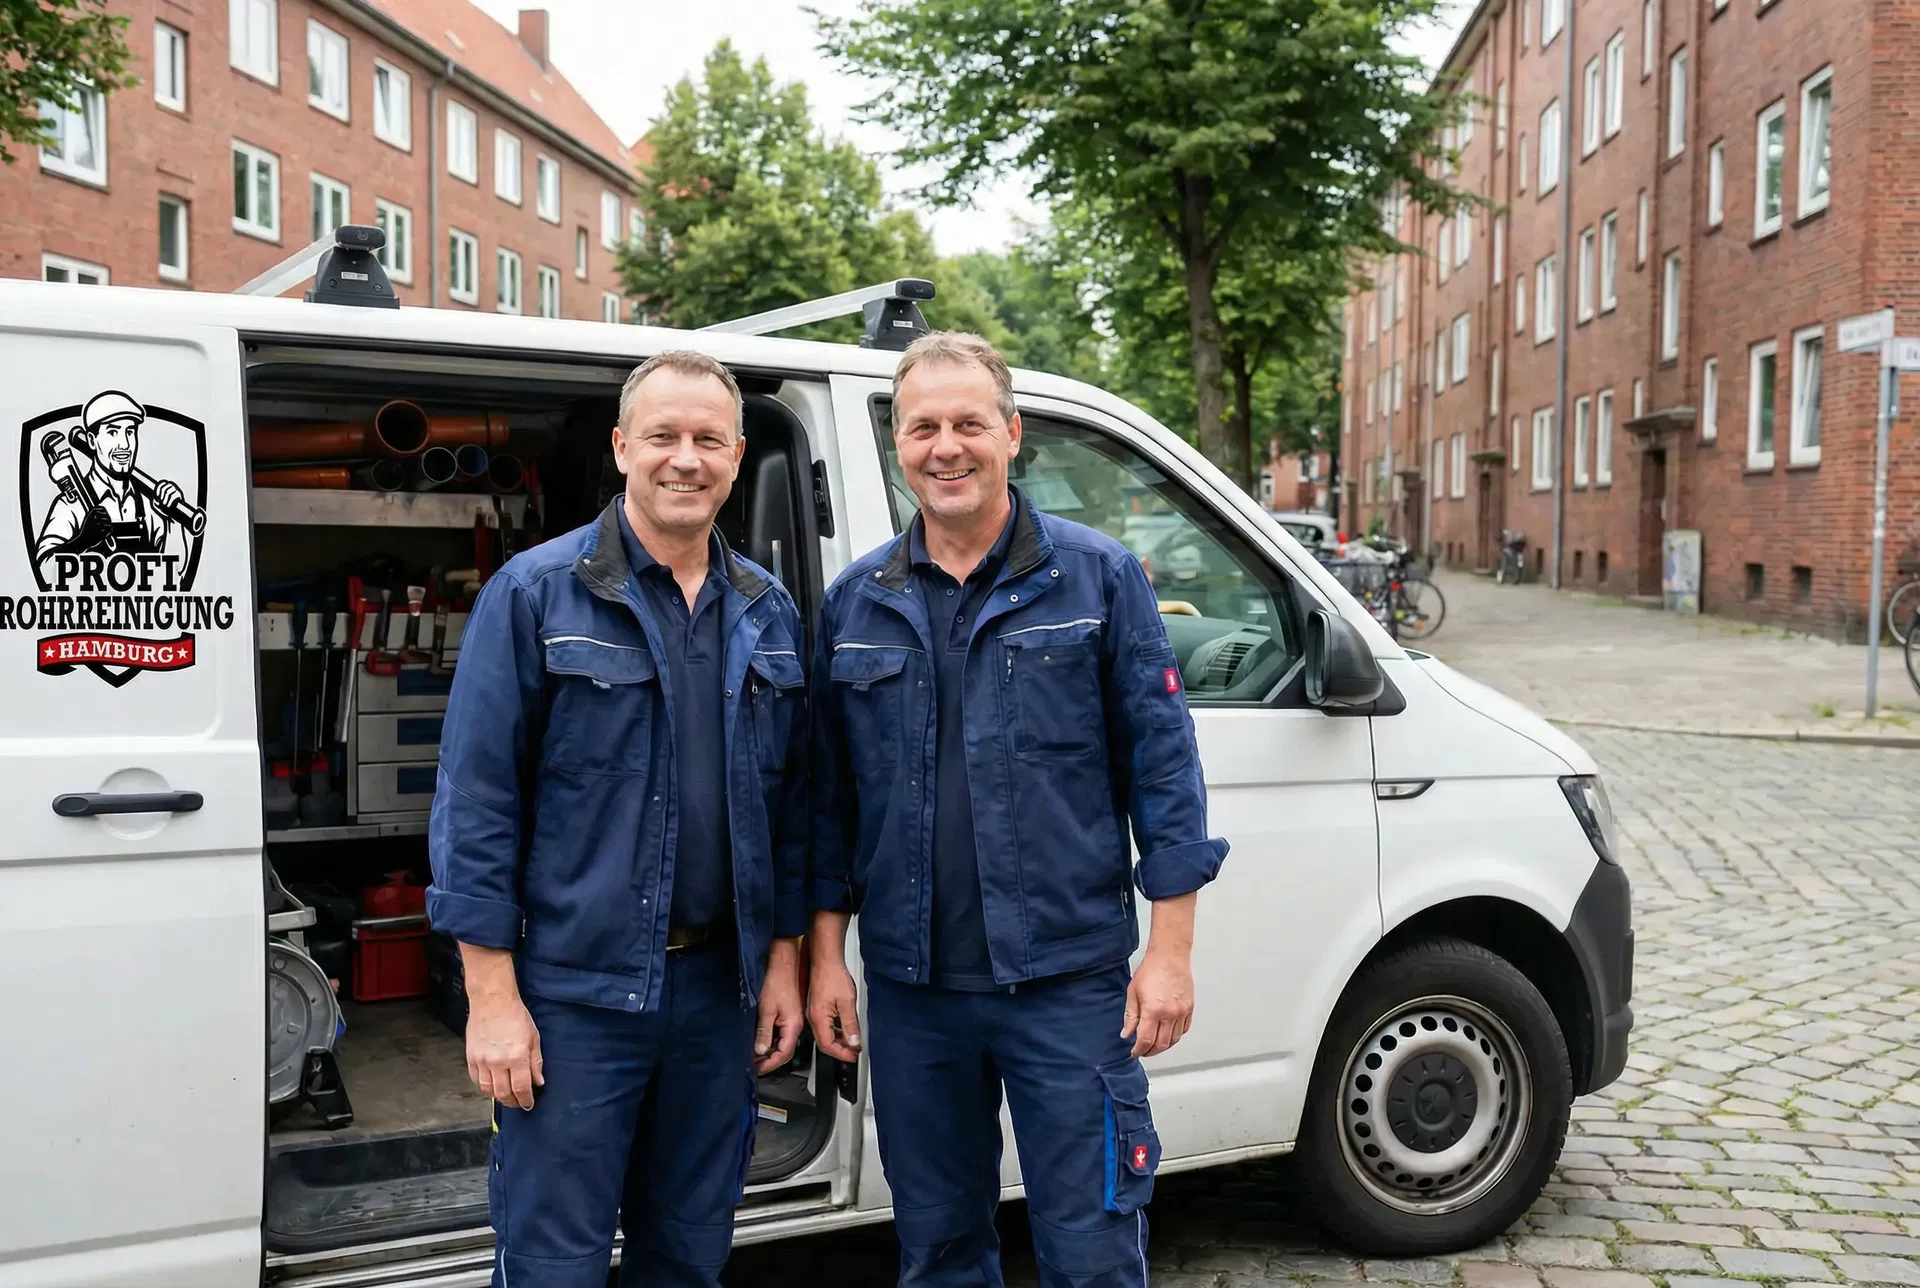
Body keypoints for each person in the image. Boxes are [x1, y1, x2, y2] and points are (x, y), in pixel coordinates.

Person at [807, 331, 1228, 1287]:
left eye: (968, 423)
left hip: (1068, 986)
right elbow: (828, 802)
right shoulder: (856, 601)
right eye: (923, 427)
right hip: (915, 993)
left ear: (1012, 433)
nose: (945, 446)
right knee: (940, 1251)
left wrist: (1169, 954)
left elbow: (1166, 777)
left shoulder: (1098, 580)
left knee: (1091, 1250)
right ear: (898, 445)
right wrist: (828, 957)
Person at [428, 350, 809, 1288]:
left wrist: (785, 962)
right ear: (621, 449)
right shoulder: (533, 594)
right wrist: (492, 1000)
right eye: (664, 437)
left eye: (708, 439)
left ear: (736, 455)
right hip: (574, 999)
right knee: (555, 1262)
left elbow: (796, 806)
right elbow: (475, 806)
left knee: (686, 1255)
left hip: (719, 996)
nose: (686, 458)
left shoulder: (768, 608)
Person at [34, 390, 186, 575]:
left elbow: (176, 571)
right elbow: (42, 568)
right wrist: (81, 541)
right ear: (91, 440)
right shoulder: (71, 505)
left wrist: (173, 519)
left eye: (130, 432)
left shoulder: (148, 505)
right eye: (113, 432)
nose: (124, 445)